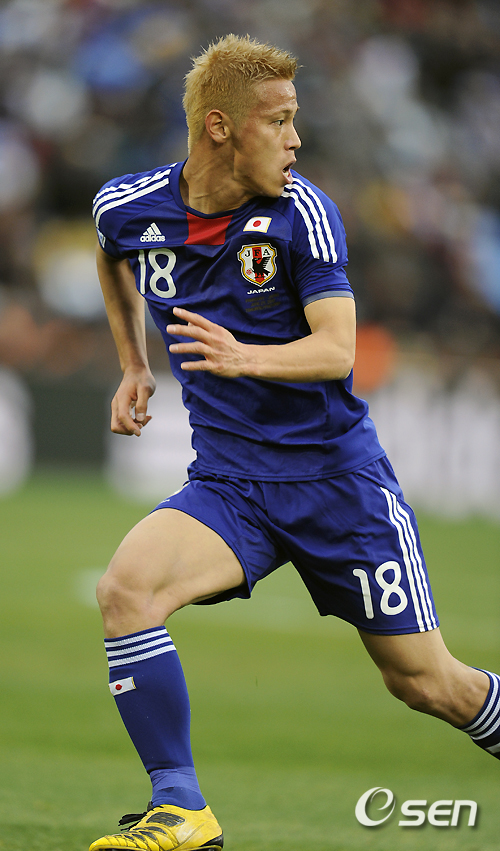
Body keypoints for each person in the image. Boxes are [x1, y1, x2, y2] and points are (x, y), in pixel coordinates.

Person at [90, 34, 499, 851]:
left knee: (428, 684)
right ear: (220, 127)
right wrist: (134, 361)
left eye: (294, 119)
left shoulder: (301, 213)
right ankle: (181, 807)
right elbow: (113, 256)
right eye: (278, 121)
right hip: (231, 484)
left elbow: (339, 350)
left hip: (338, 486)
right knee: (125, 590)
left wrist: (244, 356)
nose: (296, 139)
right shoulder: (127, 206)